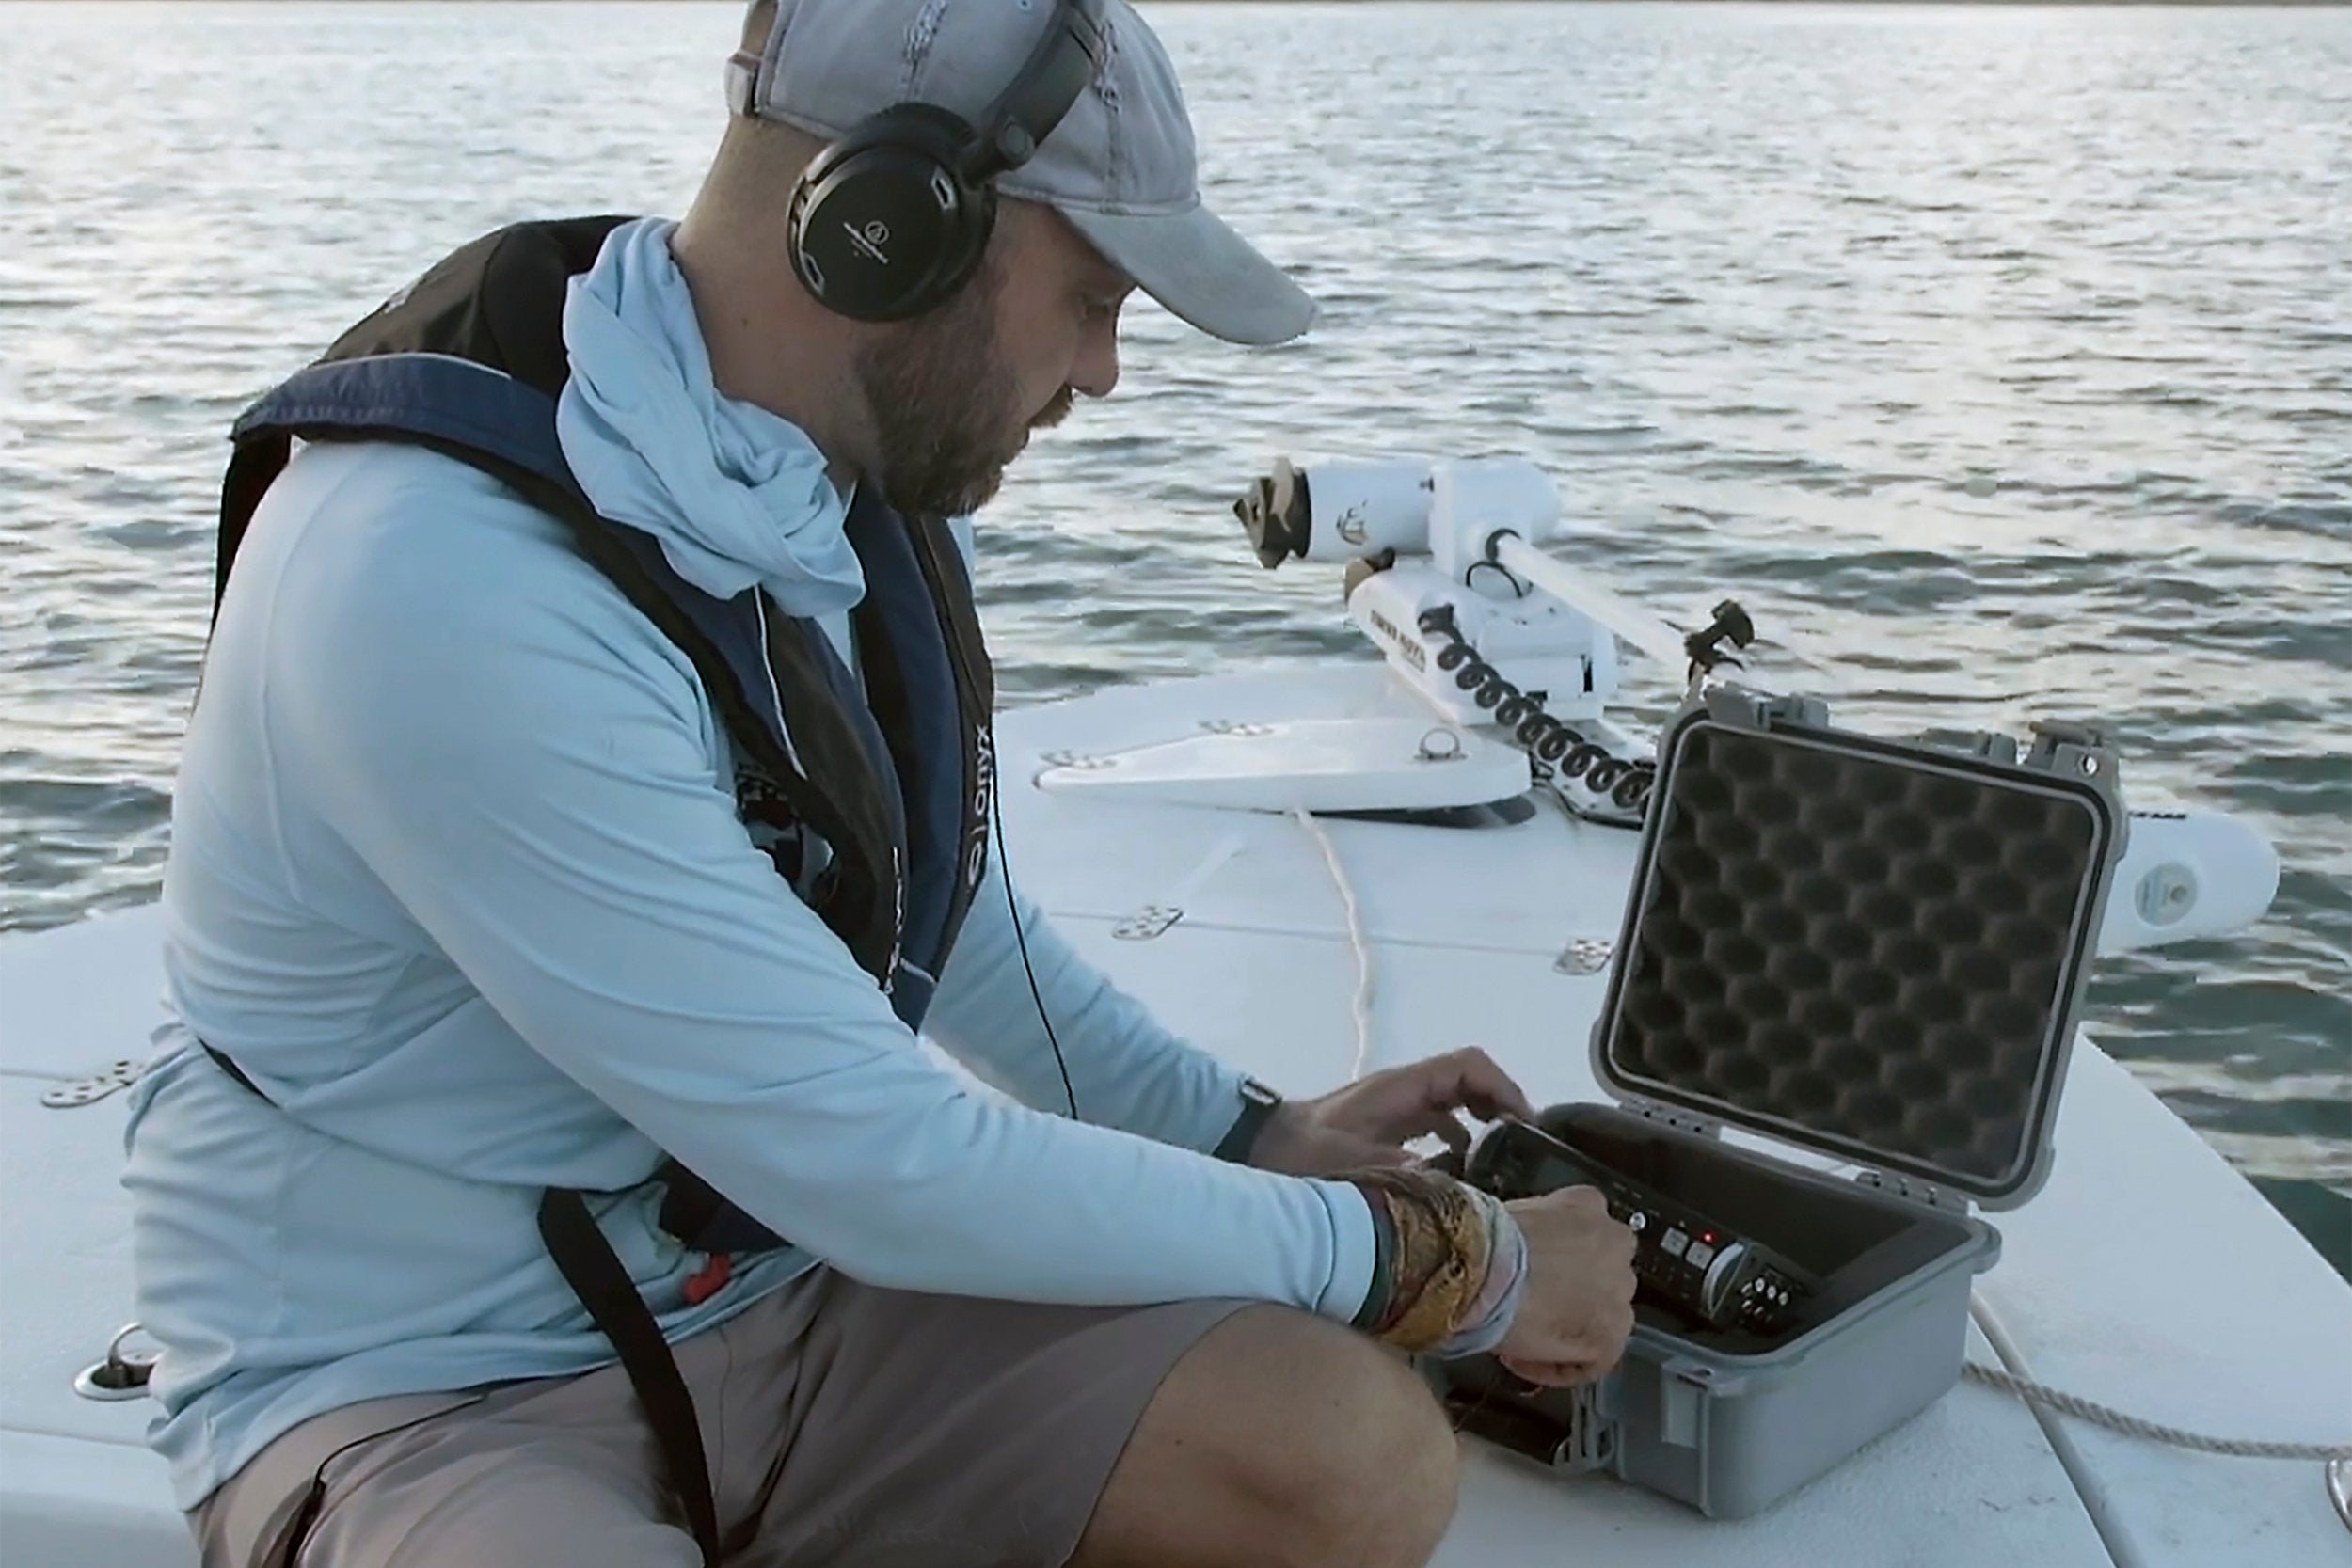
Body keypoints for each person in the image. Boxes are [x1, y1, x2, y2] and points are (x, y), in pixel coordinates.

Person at [122, 1, 1639, 1565]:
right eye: (1091, 298)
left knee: (1344, 1456)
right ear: (886, 231)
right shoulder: (432, 580)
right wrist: (1459, 1261)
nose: (1106, 374)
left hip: (792, 1290)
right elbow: (874, 1157)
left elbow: (939, 899)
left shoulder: (830, 481)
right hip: (427, 1390)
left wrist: (1246, 1137)